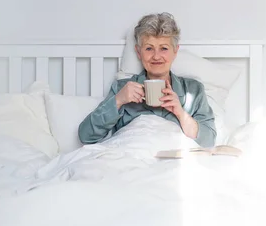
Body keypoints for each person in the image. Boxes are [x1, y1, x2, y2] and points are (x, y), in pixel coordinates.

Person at [78, 12, 217, 147]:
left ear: (175, 51)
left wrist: (180, 113)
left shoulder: (193, 90)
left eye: (163, 48)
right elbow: (86, 136)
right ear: (139, 52)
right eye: (149, 48)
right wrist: (118, 100)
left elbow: (209, 141)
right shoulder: (122, 88)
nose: (156, 56)